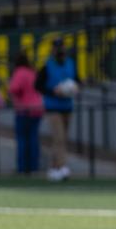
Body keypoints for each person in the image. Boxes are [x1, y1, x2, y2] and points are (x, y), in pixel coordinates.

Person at [37, 38, 79, 182]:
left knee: (61, 139)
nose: (59, 50)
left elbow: (77, 80)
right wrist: (53, 91)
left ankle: (54, 168)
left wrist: (74, 88)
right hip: (53, 107)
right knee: (59, 138)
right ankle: (63, 167)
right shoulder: (47, 65)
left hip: (67, 106)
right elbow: (38, 85)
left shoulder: (70, 63)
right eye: (56, 47)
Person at [9, 52, 44, 175]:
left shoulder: (19, 72)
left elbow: (13, 89)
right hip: (37, 108)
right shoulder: (32, 72)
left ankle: (23, 167)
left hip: (24, 109)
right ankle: (34, 167)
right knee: (33, 138)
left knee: (22, 139)